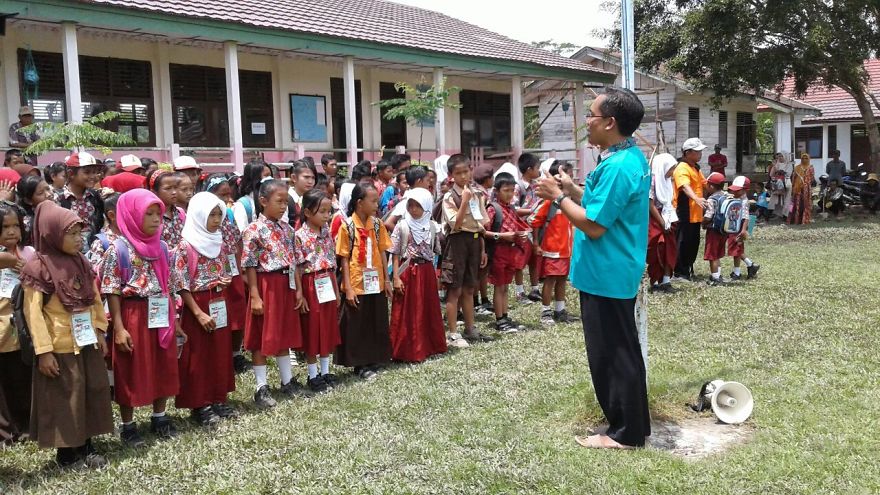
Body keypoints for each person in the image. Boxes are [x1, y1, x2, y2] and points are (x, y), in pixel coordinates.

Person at [535, 86, 651, 449]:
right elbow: (603, 208)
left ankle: (625, 433)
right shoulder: (626, 157)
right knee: (619, 351)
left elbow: (594, 225)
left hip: (608, 273)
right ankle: (629, 424)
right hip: (610, 271)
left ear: (610, 122)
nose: (587, 121)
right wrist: (571, 190)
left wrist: (557, 198)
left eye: (592, 115)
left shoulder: (618, 166)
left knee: (613, 355)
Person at [21, 202, 113, 468]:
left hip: (86, 341)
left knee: (91, 391)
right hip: (59, 347)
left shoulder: (81, 262)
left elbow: (94, 299)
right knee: (64, 398)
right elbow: (34, 314)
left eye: (79, 233)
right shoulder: (37, 268)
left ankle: (86, 445)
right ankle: (66, 453)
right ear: (51, 233)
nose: (78, 239)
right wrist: (44, 351)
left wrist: (100, 331)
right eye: (71, 233)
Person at [100, 190, 182, 447]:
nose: (157, 218)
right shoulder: (118, 249)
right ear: (132, 214)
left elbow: (169, 285)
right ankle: (128, 425)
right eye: (149, 213)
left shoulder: (163, 247)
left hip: (160, 312)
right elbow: (111, 289)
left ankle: (160, 417)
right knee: (131, 368)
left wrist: (175, 321)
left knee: (162, 364)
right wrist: (120, 327)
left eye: (158, 213)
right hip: (132, 314)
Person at [173, 192, 237, 426]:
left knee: (219, 352)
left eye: (219, 214)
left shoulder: (220, 241)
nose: (216, 219)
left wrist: (224, 280)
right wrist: (198, 313)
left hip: (219, 301)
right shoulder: (185, 245)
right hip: (196, 305)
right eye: (212, 214)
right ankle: (200, 404)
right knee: (198, 356)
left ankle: (218, 397)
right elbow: (180, 284)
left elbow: (225, 269)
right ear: (198, 215)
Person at [241, 179, 305, 407]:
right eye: (278, 201)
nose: (283, 206)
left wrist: (298, 290)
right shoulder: (253, 230)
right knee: (262, 336)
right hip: (265, 285)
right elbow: (249, 265)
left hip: (285, 285)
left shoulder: (287, 229)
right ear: (263, 201)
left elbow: (295, 262)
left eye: (286, 202)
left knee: (283, 334)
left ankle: (287, 381)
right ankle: (261, 386)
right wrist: (255, 295)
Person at [335, 184, 393, 380]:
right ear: (359, 203)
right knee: (356, 324)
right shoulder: (347, 226)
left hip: (375, 281)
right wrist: (349, 289)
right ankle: (359, 363)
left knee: (375, 320)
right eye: (373, 201)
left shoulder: (377, 225)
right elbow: (343, 257)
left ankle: (374, 358)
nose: (377, 204)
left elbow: (383, 251)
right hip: (356, 281)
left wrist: (387, 280)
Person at [389, 188, 446, 363]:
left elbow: (436, 252)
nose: (413, 209)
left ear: (426, 206)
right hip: (408, 271)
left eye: (418, 206)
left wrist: (437, 274)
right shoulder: (402, 226)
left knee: (427, 308)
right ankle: (406, 349)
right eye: (410, 205)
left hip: (427, 271)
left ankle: (429, 346)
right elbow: (396, 253)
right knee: (408, 310)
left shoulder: (431, 226)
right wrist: (396, 278)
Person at [293, 189, 341, 393]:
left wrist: (337, 291)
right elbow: (295, 267)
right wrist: (300, 294)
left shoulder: (327, 232)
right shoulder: (299, 236)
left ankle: (326, 370)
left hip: (327, 281)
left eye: (328, 211)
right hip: (310, 283)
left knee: (327, 327)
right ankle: (313, 375)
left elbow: (332, 263)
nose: (326, 215)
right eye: (321, 211)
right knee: (313, 328)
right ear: (307, 212)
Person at [441, 154, 490, 348]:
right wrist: (463, 201)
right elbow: (456, 224)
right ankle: (453, 333)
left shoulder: (477, 194)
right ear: (451, 175)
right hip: (457, 242)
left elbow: (481, 224)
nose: (463, 176)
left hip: (475, 241)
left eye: (466, 171)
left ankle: (471, 328)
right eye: (458, 173)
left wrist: (483, 249)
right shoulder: (449, 197)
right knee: (455, 289)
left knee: (470, 288)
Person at [0, 203, 35, 441]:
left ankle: (26, 425)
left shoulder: (29, 253)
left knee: (22, 377)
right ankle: (5, 430)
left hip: (24, 325)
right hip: (2, 326)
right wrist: (10, 262)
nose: (12, 232)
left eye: (16, 226)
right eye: (4, 227)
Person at [530, 161, 579, 325]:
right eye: (568, 177)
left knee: (562, 279)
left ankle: (560, 310)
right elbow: (535, 221)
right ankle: (545, 311)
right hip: (552, 249)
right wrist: (536, 244)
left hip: (567, 249)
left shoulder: (570, 201)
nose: (570, 180)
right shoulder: (549, 201)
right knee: (550, 279)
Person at [484, 172, 531, 334]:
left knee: (505, 286)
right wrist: (502, 236)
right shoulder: (492, 209)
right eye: (506, 190)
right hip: (498, 251)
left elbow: (516, 226)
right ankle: (499, 320)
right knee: (499, 286)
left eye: (512, 190)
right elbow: (483, 232)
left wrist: (521, 234)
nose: (510, 194)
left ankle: (505, 316)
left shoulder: (511, 208)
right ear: (496, 191)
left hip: (510, 251)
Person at [673, 138, 708, 281]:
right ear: (688, 153)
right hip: (685, 211)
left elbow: (705, 183)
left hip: (696, 213)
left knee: (693, 242)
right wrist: (696, 198)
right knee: (683, 242)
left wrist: (721, 193)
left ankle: (687, 269)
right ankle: (679, 272)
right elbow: (684, 186)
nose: (700, 154)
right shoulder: (682, 167)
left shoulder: (695, 167)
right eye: (697, 151)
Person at [55, 152, 105, 253]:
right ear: (71, 174)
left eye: (95, 172)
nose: (93, 176)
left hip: (93, 250)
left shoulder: (95, 196)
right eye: (87, 172)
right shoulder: (59, 198)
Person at [647, 153, 679, 292]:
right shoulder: (652, 180)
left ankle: (666, 281)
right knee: (656, 249)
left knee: (670, 249)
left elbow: (669, 202)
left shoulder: (667, 181)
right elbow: (650, 204)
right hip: (655, 219)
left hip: (668, 217)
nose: (672, 172)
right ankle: (654, 281)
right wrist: (661, 223)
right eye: (671, 169)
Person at [514, 153, 543, 304]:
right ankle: (519, 292)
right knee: (520, 261)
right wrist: (533, 210)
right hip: (522, 227)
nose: (539, 171)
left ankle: (535, 288)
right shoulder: (518, 187)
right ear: (529, 169)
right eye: (538, 168)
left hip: (534, 227)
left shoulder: (536, 185)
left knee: (534, 258)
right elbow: (513, 209)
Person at [727, 176, 760, 280]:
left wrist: (743, 230)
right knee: (736, 249)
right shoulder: (736, 198)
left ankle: (737, 272)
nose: (734, 192)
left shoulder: (744, 202)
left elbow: (746, 217)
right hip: (734, 226)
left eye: (737, 190)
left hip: (739, 227)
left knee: (736, 249)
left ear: (745, 190)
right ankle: (751, 265)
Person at [702, 172, 729, 286]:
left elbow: (708, 216)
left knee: (712, 255)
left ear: (711, 186)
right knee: (718, 253)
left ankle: (715, 278)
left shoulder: (711, 199)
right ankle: (718, 274)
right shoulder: (727, 196)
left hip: (713, 230)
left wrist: (702, 223)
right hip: (724, 230)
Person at [148, 170, 186, 250]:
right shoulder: (152, 216)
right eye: (168, 188)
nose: (174, 192)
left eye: (175, 187)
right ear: (154, 192)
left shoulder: (180, 213)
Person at [232, 159, 272, 231]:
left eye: (270, 175)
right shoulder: (243, 206)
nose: (271, 179)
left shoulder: (273, 201)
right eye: (266, 176)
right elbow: (241, 235)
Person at [16, 174, 52, 246]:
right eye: (40, 193)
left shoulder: (58, 209)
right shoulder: (26, 224)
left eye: (48, 189)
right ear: (28, 201)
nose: (48, 194)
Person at [789, 153, 814, 225]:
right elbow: (793, 178)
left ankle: (804, 219)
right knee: (795, 204)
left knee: (805, 204)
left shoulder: (811, 167)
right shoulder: (797, 167)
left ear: (809, 159)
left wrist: (805, 184)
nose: (804, 160)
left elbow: (811, 178)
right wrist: (793, 187)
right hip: (797, 189)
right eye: (803, 158)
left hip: (806, 189)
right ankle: (793, 220)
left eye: (806, 158)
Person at [768, 152, 793, 220]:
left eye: (782, 156)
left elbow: (788, 174)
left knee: (786, 199)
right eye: (779, 156)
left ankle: (785, 214)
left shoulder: (789, 165)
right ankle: (777, 214)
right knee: (777, 200)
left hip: (786, 184)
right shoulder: (777, 164)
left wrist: (779, 172)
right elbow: (771, 174)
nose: (780, 157)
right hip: (777, 185)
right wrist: (774, 167)